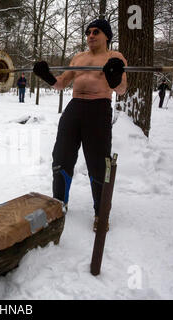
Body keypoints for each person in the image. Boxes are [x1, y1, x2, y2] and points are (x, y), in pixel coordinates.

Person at [33, 19, 128, 232]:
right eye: (88, 32)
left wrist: (114, 77)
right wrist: (46, 75)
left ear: (107, 36)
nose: (91, 35)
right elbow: (61, 83)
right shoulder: (78, 58)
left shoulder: (115, 57)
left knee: (98, 163)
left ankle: (100, 213)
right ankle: (59, 204)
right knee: (61, 156)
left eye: (96, 32)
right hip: (74, 108)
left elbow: (122, 89)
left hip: (99, 108)